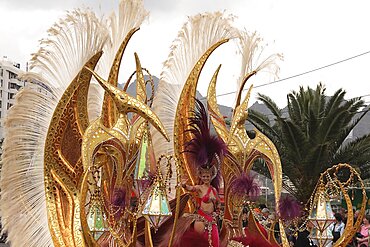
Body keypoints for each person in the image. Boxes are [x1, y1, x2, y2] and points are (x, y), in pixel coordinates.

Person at [179, 99, 227, 247]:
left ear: (211, 176)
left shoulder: (213, 189)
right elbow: (189, 189)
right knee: (199, 244)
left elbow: (219, 205)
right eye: (204, 176)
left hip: (211, 220)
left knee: (215, 243)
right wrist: (183, 184)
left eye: (208, 176)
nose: (206, 178)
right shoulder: (199, 188)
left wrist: (216, 204)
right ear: (201, 176)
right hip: (200, 219)